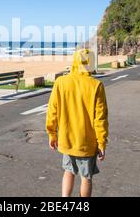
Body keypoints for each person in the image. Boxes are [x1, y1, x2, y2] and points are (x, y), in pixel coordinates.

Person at [46, 49, 109, 197]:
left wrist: (52, 134)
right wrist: (101, 142)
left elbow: (52, 110)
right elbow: (100, 118)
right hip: (87, 143)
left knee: (68, 171)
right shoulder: (96, 85)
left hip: (67, 140)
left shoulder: (61, 82)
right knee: (86, 177)